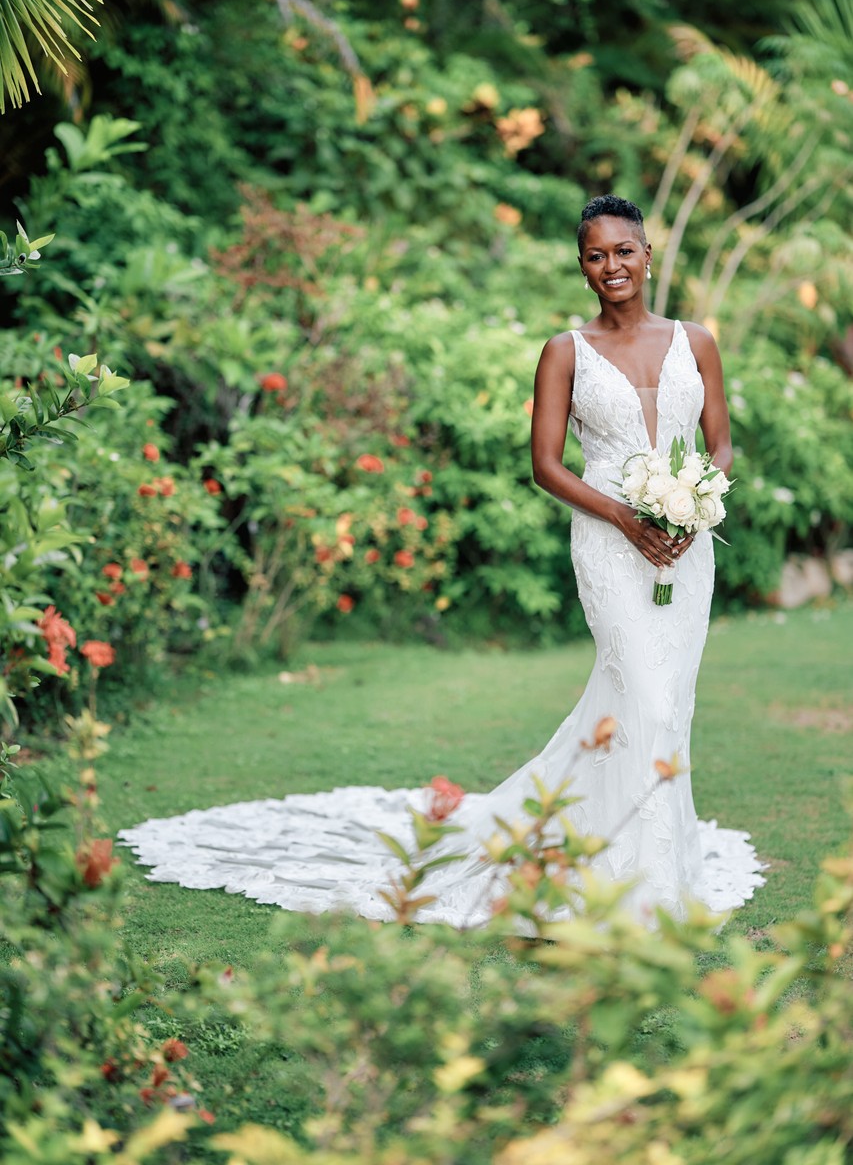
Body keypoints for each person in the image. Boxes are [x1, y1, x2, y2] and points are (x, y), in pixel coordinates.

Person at [119, 195, 765, 928]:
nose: (611, 266)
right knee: (644, 699)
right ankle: (629, 893)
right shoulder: (566, 352)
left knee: (666, 706)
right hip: (609, 545)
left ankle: (643, 869)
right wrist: (624, 515)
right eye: (595, 255)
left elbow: (719, 443)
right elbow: (545, 465)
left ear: (647, 254)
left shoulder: (696, 341)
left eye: (623, 251)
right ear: (581, 266)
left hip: (686, 550)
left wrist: (694, 501)